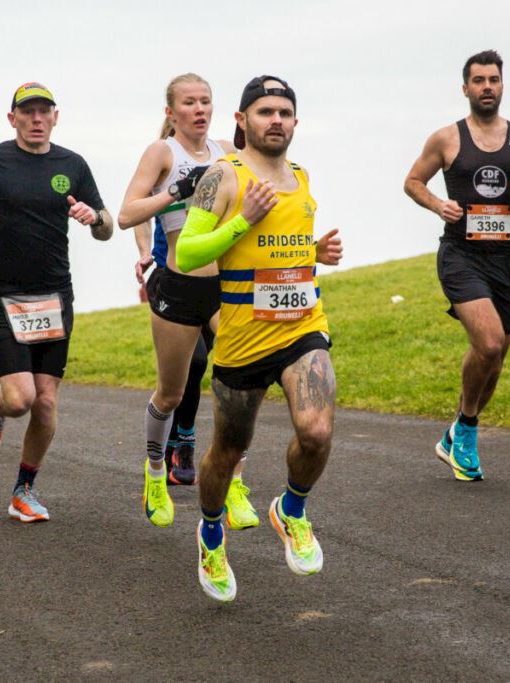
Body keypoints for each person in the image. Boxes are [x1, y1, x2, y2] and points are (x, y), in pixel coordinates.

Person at [176, 76, 340, 601]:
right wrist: (241, 220)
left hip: (303, 328)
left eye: (285, 112)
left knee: (316, 431)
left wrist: (314, 252)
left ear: (296, 122)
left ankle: (291, 509)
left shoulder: (300, 175)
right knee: (228, 448)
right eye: (265, 111)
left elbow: (278, 248)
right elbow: (188, 254)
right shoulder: (222, 176)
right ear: (242, 121)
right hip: (244, 340)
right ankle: (209, 532)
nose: (276, 120)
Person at [0, 82, 113, 521]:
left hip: (55, 294)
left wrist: (94, 219)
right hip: (4, 293)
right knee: (21, 399)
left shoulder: (72, 164)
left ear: (56, 116)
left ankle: (23, 490)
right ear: (12, 117)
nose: (36, 119)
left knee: (47, 401)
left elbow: (107, 224)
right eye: (27, 111)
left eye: (44, 111)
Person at [404, 50, 510, 482]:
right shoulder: (446, 139)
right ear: (465, 88)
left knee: (496, 357)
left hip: (508, 259)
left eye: (493, 80)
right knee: (488, 343)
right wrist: (438, 204)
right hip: (461, 256)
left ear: (502, 86)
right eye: (479, 80)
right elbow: (413, 181)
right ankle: (467, 428)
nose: (487, 87)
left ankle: (455, 431)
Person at [118, 74, 250, 530]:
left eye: (205, 101)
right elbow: (126, 214)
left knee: (241, 384)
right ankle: (156, 472)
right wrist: (175, 191)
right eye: (189, 103)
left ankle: (235, 482)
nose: (199, 109)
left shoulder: (225, 153)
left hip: (224, 287)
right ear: (171, 112)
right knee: (172, 393)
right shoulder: (162, 153)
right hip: (177, 285)